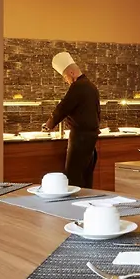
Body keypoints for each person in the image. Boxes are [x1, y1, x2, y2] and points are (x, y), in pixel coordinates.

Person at [42, 52, 100, 188]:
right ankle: (87, 198)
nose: (65, 80)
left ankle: (75, 200)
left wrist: (48, 125)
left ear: (72, 73)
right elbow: (97, 112)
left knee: (74, 176)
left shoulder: (78, 87)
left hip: (80, 138)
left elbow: (63, 108)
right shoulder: (91, 86)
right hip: (91, 138)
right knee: (86, 175)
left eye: (65, 76)